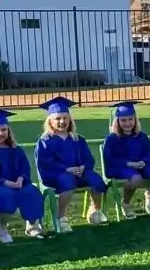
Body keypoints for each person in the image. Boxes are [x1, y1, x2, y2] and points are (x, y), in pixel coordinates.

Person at [34, 96, 108, 231]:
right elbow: (45, 163)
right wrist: (66, 169)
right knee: (67, 182)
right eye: (58, 118)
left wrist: (83, 166)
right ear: (50, 121)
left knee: (96, 180)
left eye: (65, 118)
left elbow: (88, 158)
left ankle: (94, 210)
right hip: (57, 175)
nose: (62, 121)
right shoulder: (45, 141)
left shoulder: (77, 139)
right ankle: (61, 218)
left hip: (80, 173)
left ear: (70, 119)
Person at [102, 101, 150, 217]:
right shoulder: (111, 139)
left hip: (141, 165)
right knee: (135, 178)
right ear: (117, 122)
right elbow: (110, 159)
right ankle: (125, 204)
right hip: (120, 167)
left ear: (135, 120)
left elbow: (149, 153)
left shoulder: (141, 136)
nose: (128, 123)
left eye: (130, 119)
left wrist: (144, 162)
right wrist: (129, 164)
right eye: (123, 120)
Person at [0, 109, 45, 241]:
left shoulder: (15, 149)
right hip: (2, 184)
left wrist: (21, 179)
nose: (1, 133)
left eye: (3, 130)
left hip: (18, 183)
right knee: (5, 195)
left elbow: (24, 167)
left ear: (8, 131)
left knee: (31, 192)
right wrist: (6, 182)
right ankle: (2, 228)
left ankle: (32, 225)